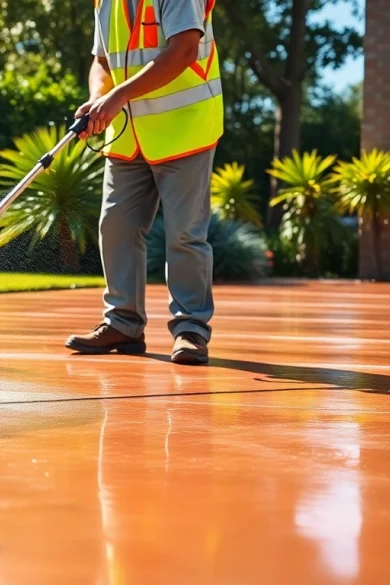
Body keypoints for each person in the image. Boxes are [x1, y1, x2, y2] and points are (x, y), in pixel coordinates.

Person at [65, 0, 222, 365]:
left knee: (184, 234)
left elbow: (183, 50)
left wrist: (118, 96)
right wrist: (98, 97)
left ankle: (191, 329)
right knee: (116, 225)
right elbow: (101, 61)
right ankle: (123, 322)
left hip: (184, 128)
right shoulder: (106, 2)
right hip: (128, 135)